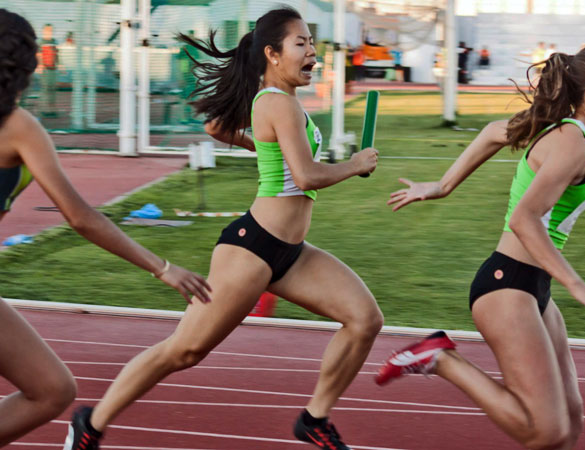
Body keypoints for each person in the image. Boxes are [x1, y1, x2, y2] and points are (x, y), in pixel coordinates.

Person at [63, 7, 382, 450]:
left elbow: (217, 126)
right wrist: (354, 164)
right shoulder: (276, 102)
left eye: (311, 43)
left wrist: (261, 147)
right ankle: (90, 422)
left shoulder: (277, 102)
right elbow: (307, 177)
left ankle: (315, 419)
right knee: (185, 351)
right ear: (272, 54)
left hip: (290, 252)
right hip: (252, 250)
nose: (312, 52)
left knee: (364, 318)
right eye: (301, 43)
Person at [377, 43, 585, 450]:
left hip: (532, 288)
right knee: (546, 431)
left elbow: (492, 133)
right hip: (507, 286)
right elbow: (523, 220)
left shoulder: (569, 132)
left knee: (569, 426)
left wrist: (443, 186)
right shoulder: (571, 141)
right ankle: (440, 359)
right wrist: (580, 288)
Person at [0, 9, 211, 447]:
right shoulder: (19, 128)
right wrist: (162, 267)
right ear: (26, 65)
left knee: (51, 389)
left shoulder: (19, 127)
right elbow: (80, 216)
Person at [37, 23, 58, 116]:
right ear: (43, 31)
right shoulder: (41, 42)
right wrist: (40, 65)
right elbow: (38, 54)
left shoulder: (54, 41)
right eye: (47, 30)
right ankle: (43, 109)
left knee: (52, 89)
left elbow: (56, 54)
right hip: (45, 69)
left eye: (51, 30)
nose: (49, 32)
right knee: (45, 89)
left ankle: (52, 109)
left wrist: (60, 65)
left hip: (53, 69)